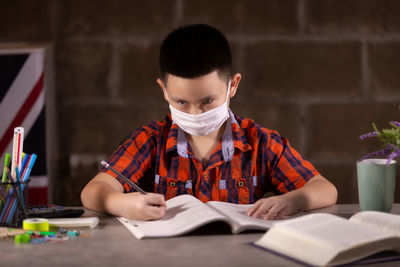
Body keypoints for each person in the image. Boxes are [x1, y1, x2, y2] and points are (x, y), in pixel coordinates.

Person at [81, 24, 337, 221]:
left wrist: (296, 199)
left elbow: (325, 189)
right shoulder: (150, 141)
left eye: (207, 101)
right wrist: (121, 204)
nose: (195, 112)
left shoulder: (261, 143)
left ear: (232, 85)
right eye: (181, 102)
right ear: (164, 91)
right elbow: (93, 191)